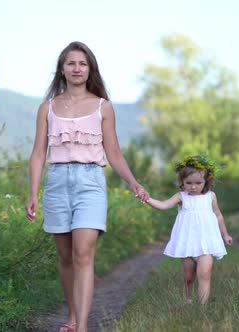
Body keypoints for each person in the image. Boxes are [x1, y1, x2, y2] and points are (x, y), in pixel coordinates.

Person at [25, 41, 149, 332]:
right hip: (56, 183)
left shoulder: (103, 107)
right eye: (71, 63)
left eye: (82, 63)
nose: (77, 68)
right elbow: (38, 153)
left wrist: (133, 183)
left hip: (90, 182)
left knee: (83, 253)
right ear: (62, 69)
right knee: (66, 257)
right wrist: (33, 193)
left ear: (90, 68)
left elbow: (114, 152)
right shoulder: (48, 108)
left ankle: (81, 327)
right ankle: (71, 316)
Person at [146, 155, 233, 304]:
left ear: (206, 181)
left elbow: (218, 215)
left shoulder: (210, 197)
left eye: (198, 183)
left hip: (206, 244)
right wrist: (146, 199)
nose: (193, 187)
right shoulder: (181, 197)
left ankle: (203, 308)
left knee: (205, 275)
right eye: (189, 183)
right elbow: (163, 205)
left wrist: (225, 234)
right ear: (182, 182)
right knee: (188, 277)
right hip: (188, 244)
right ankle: (188, 298)